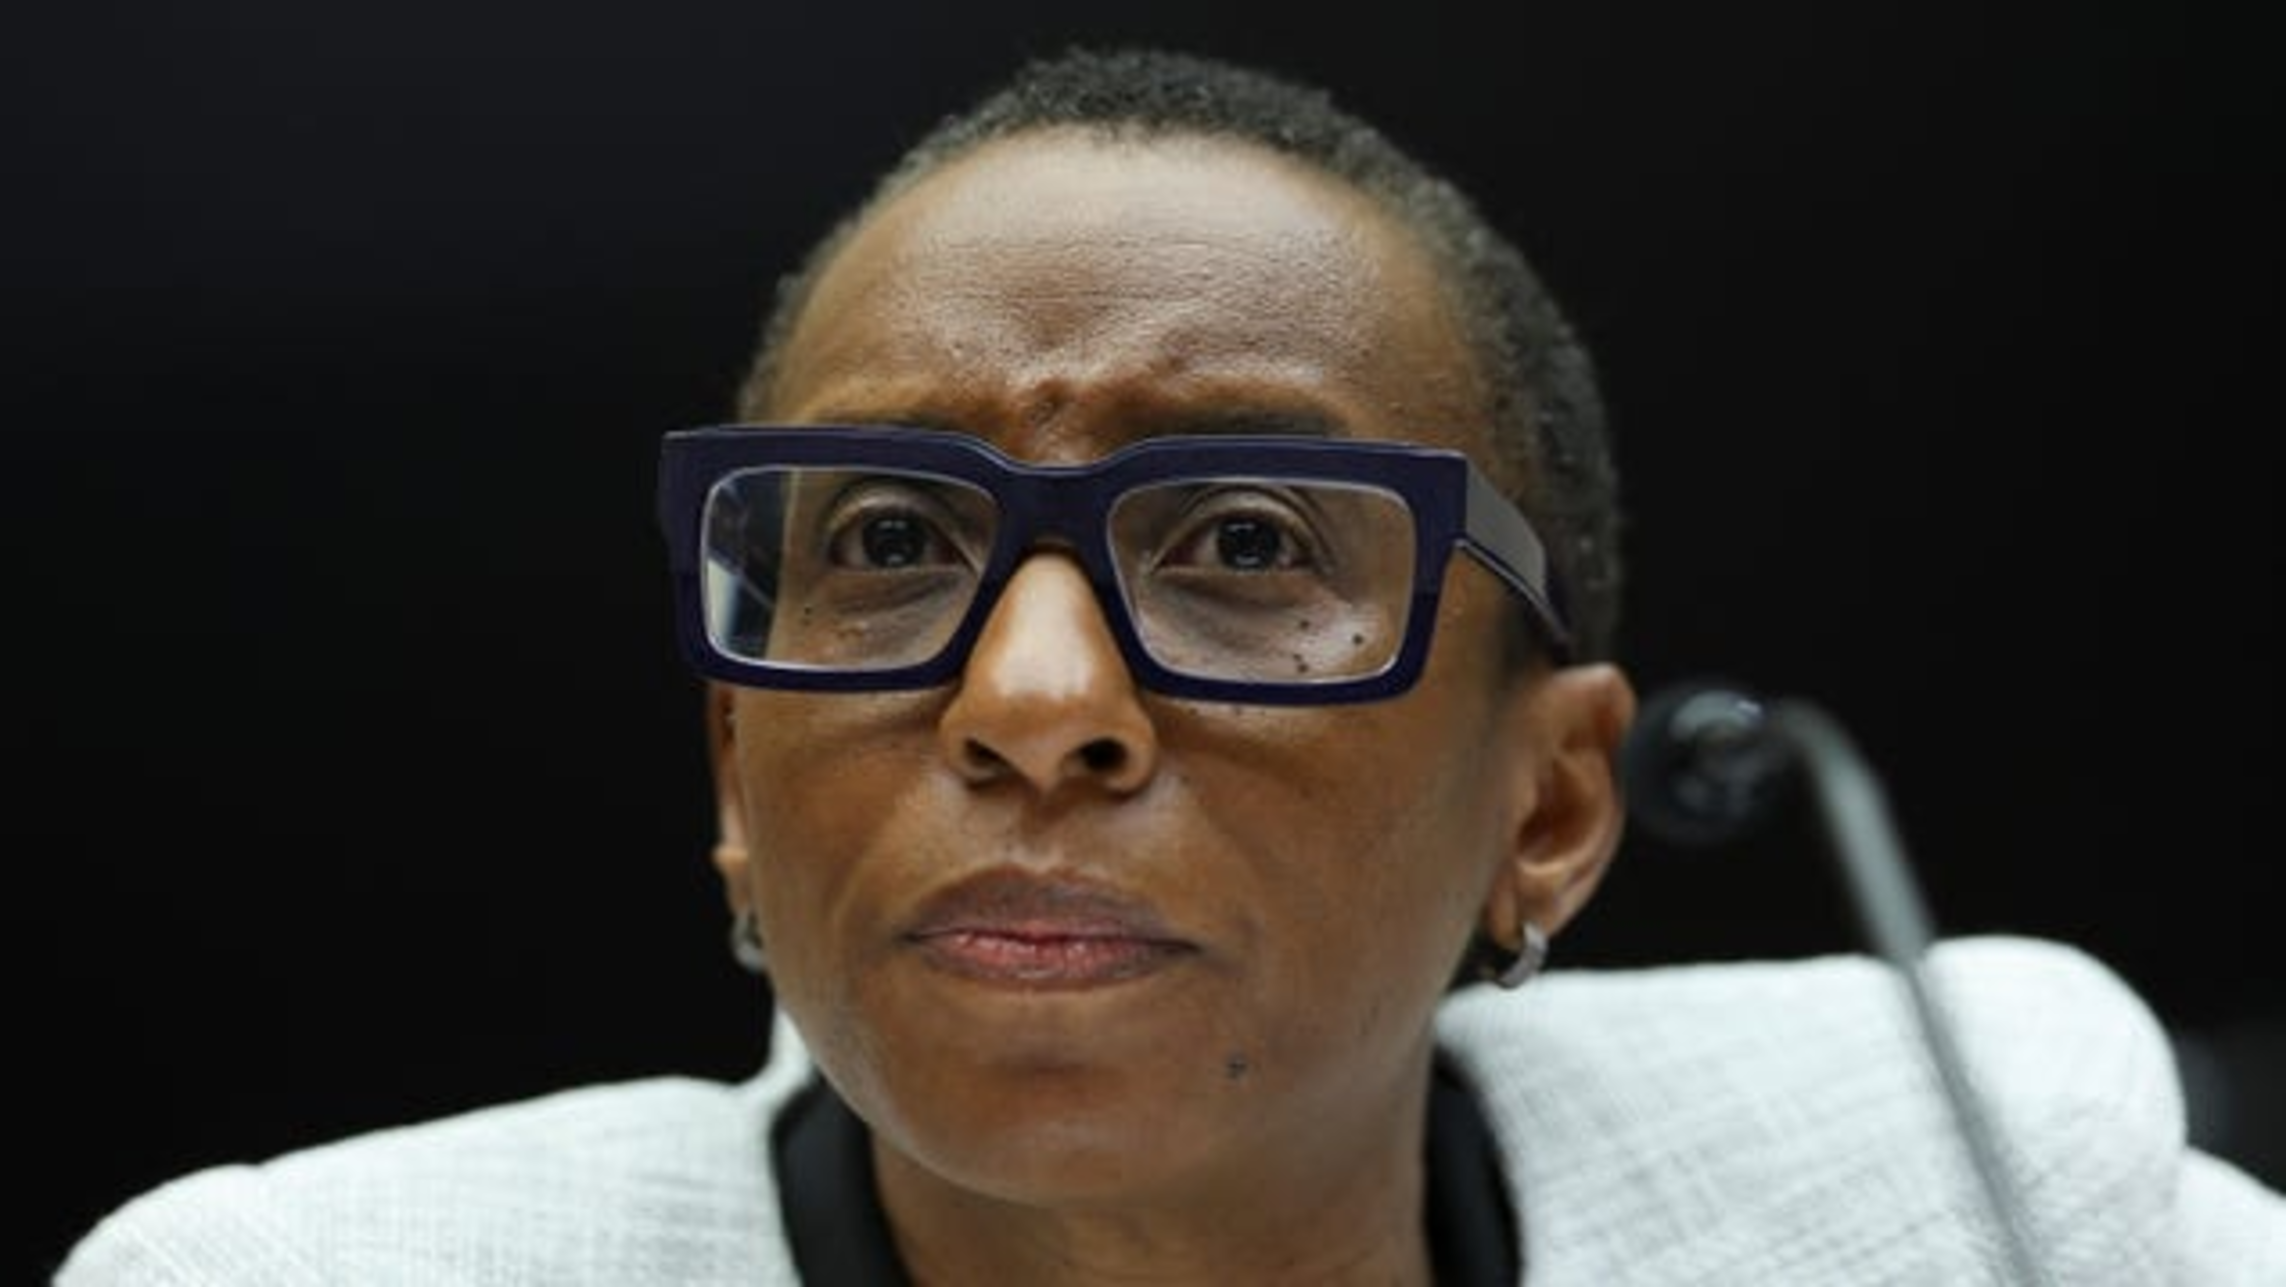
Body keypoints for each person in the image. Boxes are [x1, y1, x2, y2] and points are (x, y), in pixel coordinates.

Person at [54, 44, 2286, 1287]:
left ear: (1549, 808)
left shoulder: (1975, 1193)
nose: (1034, 698)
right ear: (736, 766)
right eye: (892, 541)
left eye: (1241, 544)